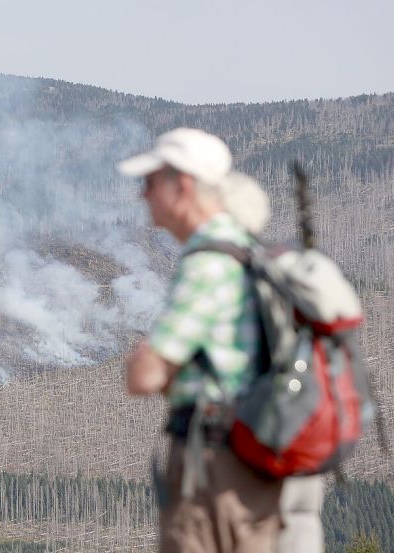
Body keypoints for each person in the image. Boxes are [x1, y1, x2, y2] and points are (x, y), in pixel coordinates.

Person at [118, 128, 281, 553]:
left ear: (183, 185)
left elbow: (146, 376)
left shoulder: (207, 263)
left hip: (213, 465)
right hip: (250, 462)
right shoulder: (246, 249)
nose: (143, 196)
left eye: (150, 183)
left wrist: (142, 360)